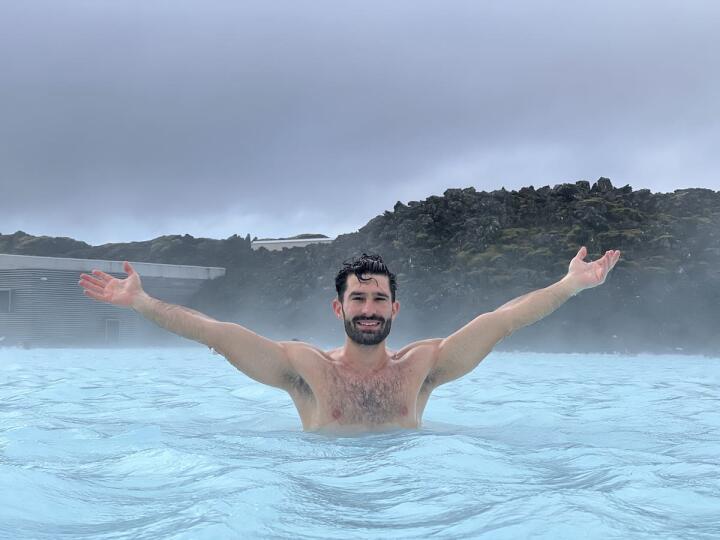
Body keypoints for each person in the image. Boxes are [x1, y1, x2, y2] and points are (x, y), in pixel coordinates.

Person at [78, 247, 620, 432]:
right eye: (358, 300)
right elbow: (217, 335)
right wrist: (142, 303)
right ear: (339, 307)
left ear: (394, 308)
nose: (368, 309)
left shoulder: (422, 367)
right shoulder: (304, 369)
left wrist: (570, 285)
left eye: (378, 299)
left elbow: (501, 319)